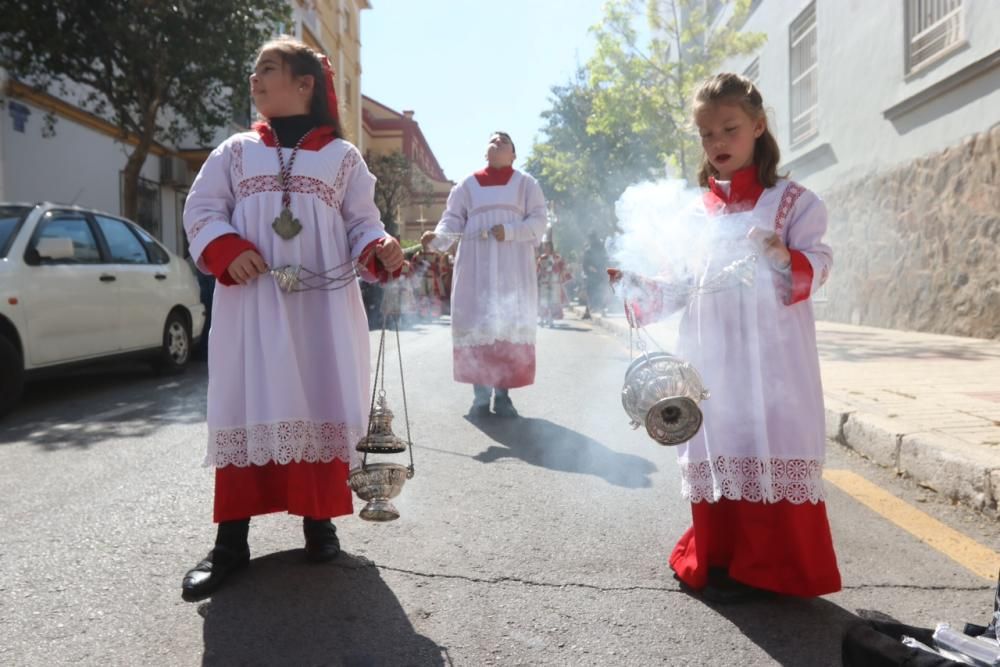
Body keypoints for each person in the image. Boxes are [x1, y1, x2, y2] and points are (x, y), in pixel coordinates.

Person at [180, 36, 405, 601]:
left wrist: (379, 245)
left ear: (305, 84)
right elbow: (201, 210)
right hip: (253, 303)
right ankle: (231, 543)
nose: (254, 78)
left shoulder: (343, 159)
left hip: (322, 307)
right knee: (247, 402)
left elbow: (361, 223)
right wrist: (228, 248)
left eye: (268, 69)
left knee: (320, 398)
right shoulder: (234, 152)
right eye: (254, 70)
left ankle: (319, 522)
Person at [609, 72, 839, 601]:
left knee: (770, 435)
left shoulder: (794, 202)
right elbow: (682, 286)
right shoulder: (695, 212)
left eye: (729, 130)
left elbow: (820, 263)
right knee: (719, 438)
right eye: (707, 135)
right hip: (710, 351)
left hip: (773, 354)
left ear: (758, 127)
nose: (717, 144)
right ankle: (717, 555)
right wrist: (638, 289)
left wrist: (785, 256)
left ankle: (770, 568)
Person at [421, 132, 547, 418]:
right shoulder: (467, 185)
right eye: (493, 139)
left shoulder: (526, 184)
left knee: (507, 322)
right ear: (485, 152)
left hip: (512, 268)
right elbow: (452, 220)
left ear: (514, 155)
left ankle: (503, 396)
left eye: (504, 140)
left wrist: (512, 231)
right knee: (477, 321)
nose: (497, 140)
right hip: (475, 266)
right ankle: (480, 395)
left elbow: (539, 220)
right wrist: (437, 239)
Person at [536, 238, 571, 327]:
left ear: (551, 247)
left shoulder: (557, 257)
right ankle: (542, 319)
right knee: (543, 302)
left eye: (547, 247)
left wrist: (560, 274)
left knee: (552, 302)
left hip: (554, 282)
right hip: (544, 282)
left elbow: (562, 268)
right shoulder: (542, 258)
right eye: (545, 247)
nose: (546, 248)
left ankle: (550, 319)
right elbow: (538, 269)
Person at [581, 232, 609, 319]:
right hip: (591, 275)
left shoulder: (600, 248)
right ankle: (588, 311)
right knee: (590, 293)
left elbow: (605, 259)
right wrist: (589, 268)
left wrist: (603, 269)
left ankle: (602, 310)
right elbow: (585, 263)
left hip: (600, 274)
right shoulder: (588, 250)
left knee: (601, 292)